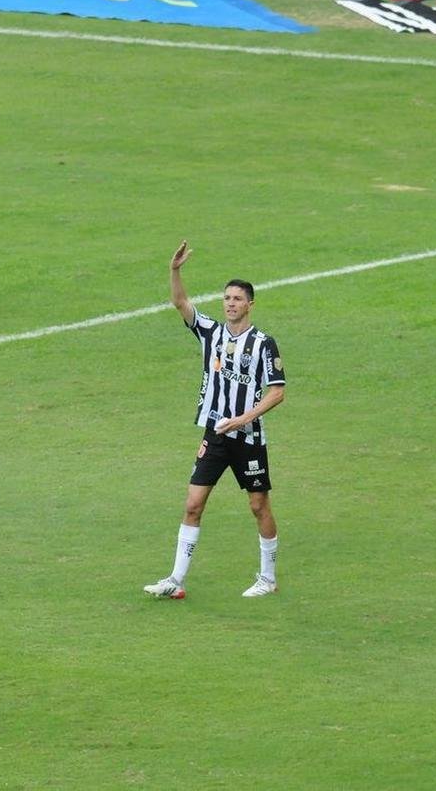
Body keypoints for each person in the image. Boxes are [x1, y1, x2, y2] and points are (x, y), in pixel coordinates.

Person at [143, 240, 286, 600]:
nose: (230, 304)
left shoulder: (264, 344)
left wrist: (243, 419)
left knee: (258, 505)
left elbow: (277, 391)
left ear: (250, 304)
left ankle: (268, 578)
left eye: (237, 299)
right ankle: (176, 580)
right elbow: (181, 303)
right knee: (193, 504)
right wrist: (175, 270)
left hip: (249, 437)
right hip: (216, 434)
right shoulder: (211, 332)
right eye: (227, 299)